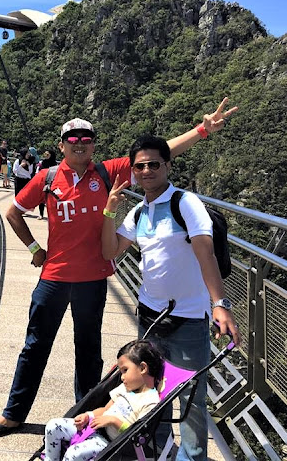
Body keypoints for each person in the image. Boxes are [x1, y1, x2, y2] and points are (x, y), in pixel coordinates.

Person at [0, 98, 237, 442]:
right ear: (62, 146)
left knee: (89, 351)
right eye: (73, 140)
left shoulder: (108, 172)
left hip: (93, 280)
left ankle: (84, 419)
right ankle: (13, 414)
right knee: (35, 345)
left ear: (93, 145)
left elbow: (157, 155)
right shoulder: (48, 177)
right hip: (53, 277)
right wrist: (34, 248)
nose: (80, 144)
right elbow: (13, 212)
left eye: (86, 139)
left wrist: (202, 130)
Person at [100, 134, 241, 461]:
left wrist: (219, 304)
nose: (147, 171)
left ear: (167, 165)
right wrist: (109, 211)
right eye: (140, 166)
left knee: (191, 399)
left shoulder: (185, 203)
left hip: (189, 319)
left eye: (154, 165)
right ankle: (160, 451)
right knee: (152, 392)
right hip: (150, 317)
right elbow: (110, 252)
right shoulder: (139, 213)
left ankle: (192, 457)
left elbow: (206, 253)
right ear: (133, 171)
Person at [43, 340, 164, 461]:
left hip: (109, 444)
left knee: (73, 454)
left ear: (143, 368)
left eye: (125, 370)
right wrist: (88, 415)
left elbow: (136, 434)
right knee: (53, 426)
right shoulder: (126, 388)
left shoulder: (150, 402)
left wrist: (113, 421)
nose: (122, 377)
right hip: (94, 428)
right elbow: (106, 409)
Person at [36, 149, 58, 220]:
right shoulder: (42, 163)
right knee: (41, 199)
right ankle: (41, 214)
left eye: (47, 155)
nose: (45, 156)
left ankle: (52, 215)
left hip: (52, 183)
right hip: (43, 182)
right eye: (45, 154)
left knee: (51, 200)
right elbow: (39, 172)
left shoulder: (54, 164)